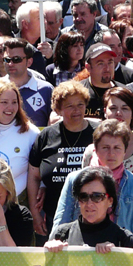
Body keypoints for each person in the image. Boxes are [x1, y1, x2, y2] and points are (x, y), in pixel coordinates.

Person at [53, 119, 133, 242]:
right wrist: (54, 244)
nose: (111, 153)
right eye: (105, 147)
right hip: (79, 248)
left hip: (120, 250)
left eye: (117, 148)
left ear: (125, 151)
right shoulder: (74, 179)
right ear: (95, 149)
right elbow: (60, 226)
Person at [28, 81, 95, 236]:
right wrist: (35, 214)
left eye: (80, 104)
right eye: (69, 106)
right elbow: (33, 176)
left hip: (92, 216)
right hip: (53, 216)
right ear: (58, 109)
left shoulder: (97, 134)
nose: (76, 110)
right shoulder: (46, 136)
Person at [1, 38, 54, 126]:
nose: (10, 64)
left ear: (29, 62)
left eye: (16, 59)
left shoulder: (46, 90)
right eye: (7, 60)